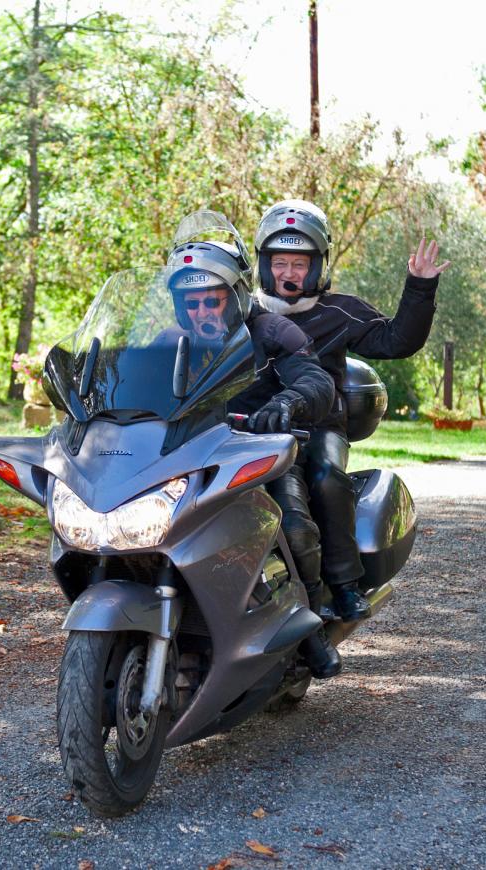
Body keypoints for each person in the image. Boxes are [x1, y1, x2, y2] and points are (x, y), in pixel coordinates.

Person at [252, 199, 449, 621]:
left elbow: (396, 341)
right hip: (252, 426)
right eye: (280, 262)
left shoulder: (339, 311)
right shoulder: (240, 311)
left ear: (318, 266)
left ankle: (342, 584)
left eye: (300, 264)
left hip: (319, 426)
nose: (289, 273)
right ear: (264, 264)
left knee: (325, 477)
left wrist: (420, 287)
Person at [164, 238, 344, 678]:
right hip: (189, 455)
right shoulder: (168, 343)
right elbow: (124, 386)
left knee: (294, 527)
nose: (202, 312)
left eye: (212, 300)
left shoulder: (271, 332)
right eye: (192, 303)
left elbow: (316, 379)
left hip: (260, 451)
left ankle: (311, 627)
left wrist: (287, 403)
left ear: (235, 296)